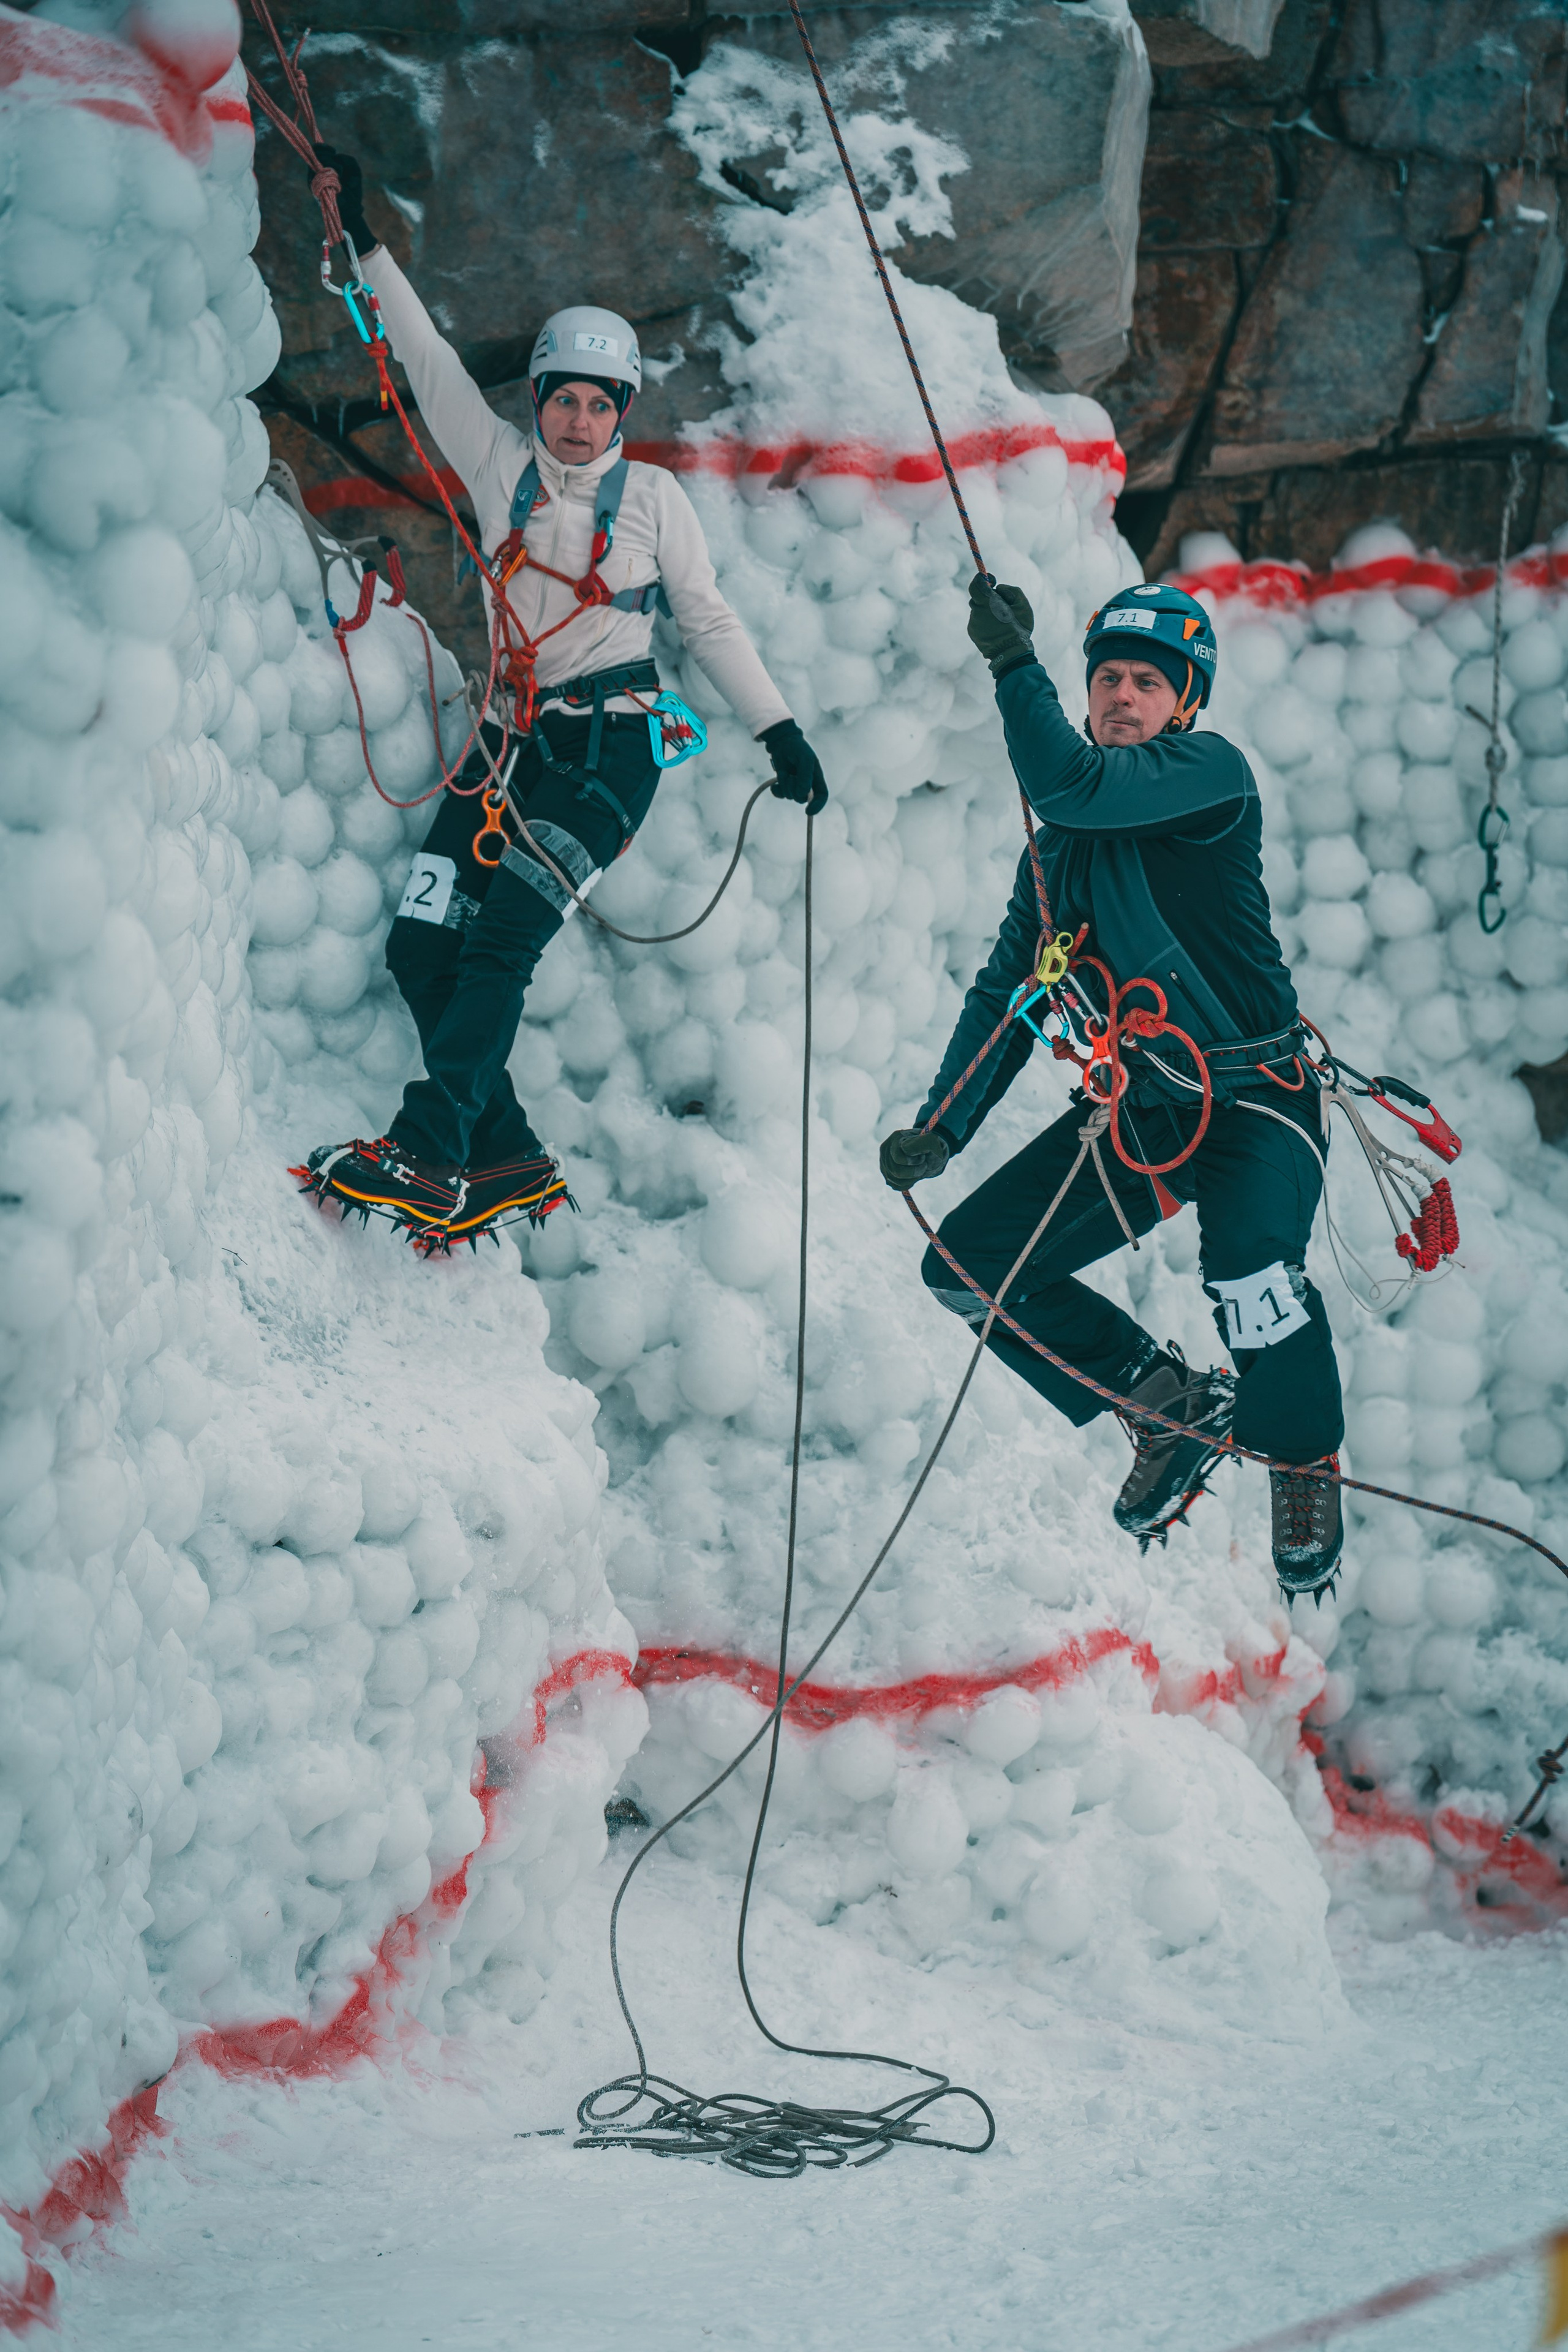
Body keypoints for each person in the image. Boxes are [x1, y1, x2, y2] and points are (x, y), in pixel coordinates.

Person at [296, 148, 827, 1251]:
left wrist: (782, 733)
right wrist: (365, 237)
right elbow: (427, 357)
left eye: (600, 403)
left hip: (606, 759)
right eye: (564, 399)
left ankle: (431, 1151)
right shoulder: (497, 465)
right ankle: (508, 1157)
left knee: (498, 949)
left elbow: (709, 619)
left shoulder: (658, 502)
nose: (580, 420)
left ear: (623, 408)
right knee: (418, 947)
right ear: (537, 399)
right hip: (502, 748)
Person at [879, 576, 1345, 1599]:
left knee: (1255, 1287)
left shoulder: (1208, 777)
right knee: (967, 1270)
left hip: (1259, 1100)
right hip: (1149, 1111)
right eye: (1107, 680)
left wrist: (1013, 666)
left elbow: (1070, 784)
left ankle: (1303, 1466)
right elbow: (1010, 991)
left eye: (1147, 682)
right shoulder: (1059, 854)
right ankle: (1165, 1399)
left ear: (1185, 704)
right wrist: (944, 1130)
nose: (1122, 696)